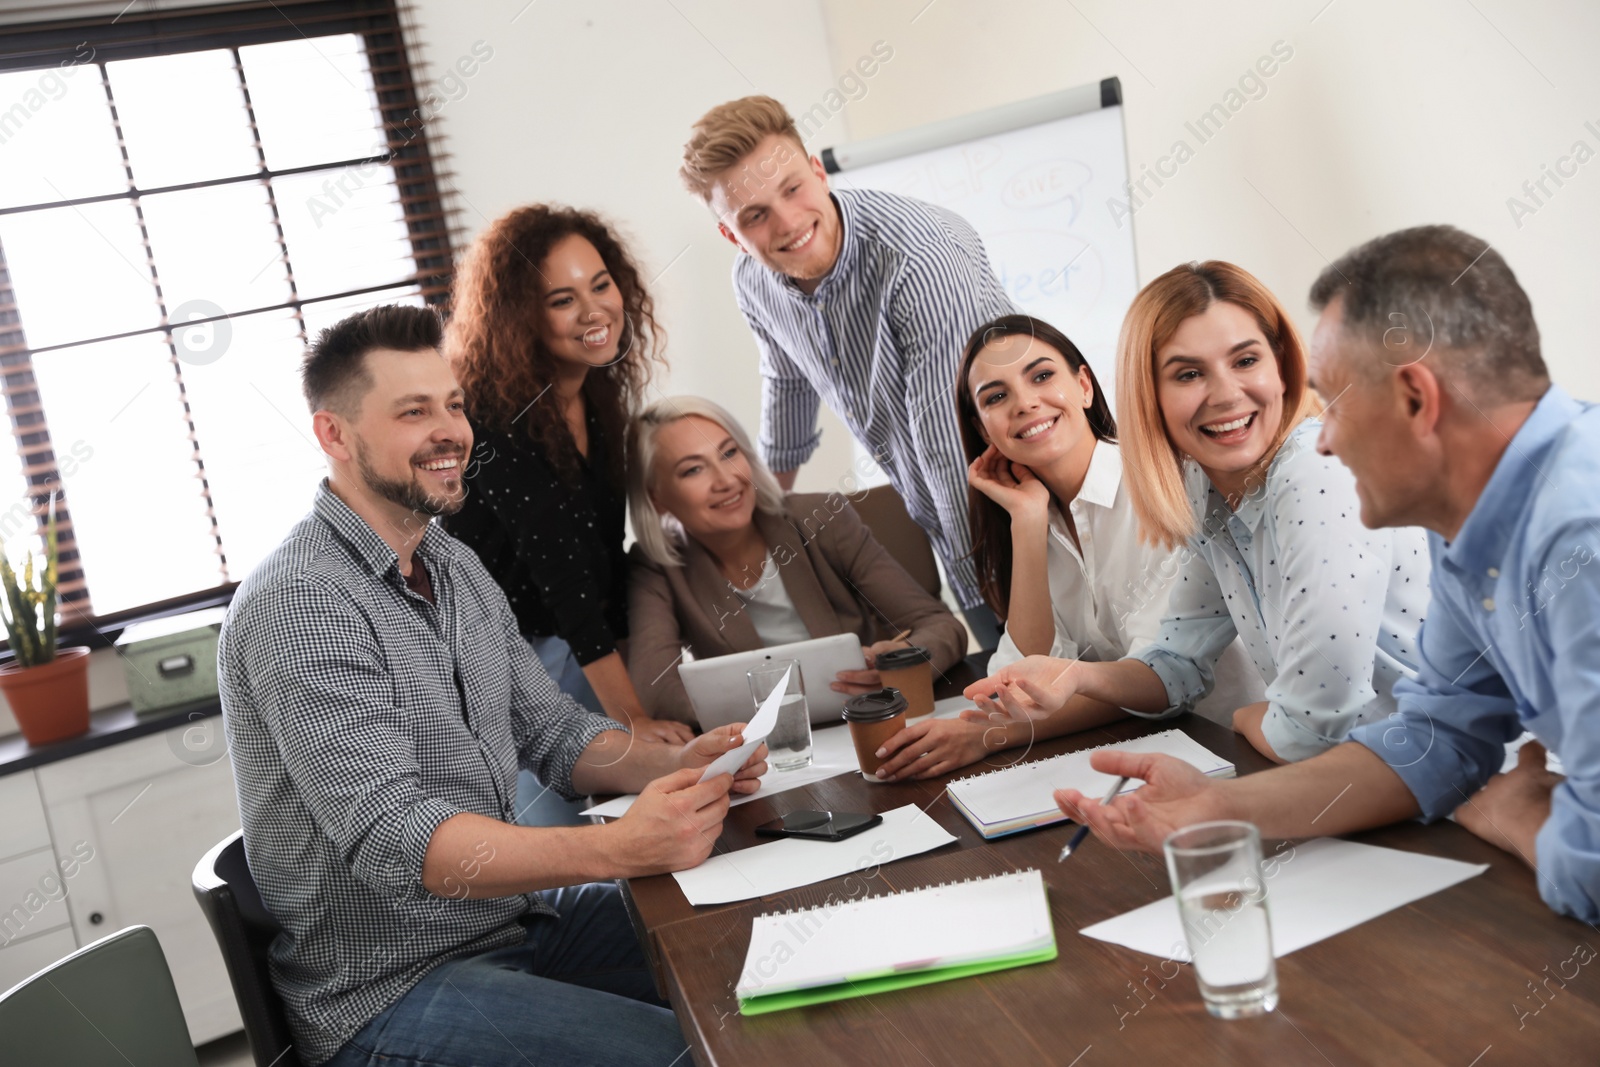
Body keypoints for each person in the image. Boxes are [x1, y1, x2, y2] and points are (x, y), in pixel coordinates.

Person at [218, 305, 766, 1067]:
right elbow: (402, 839)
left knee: (757, 946)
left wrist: (678, 765)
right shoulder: (301, 602)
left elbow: (554, 732)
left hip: (511, 924)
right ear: (334, 436)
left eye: (453, 405)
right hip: (391, 987)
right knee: (689, 1053)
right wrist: (620, 850)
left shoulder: (452, 563)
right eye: (414, 411)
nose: (451, 430)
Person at [1036, 225, 1599, 924]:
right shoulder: (1469, 531)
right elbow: (1440, 738)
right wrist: (1215, 805)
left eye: (1332, 401)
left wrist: (1517, 814)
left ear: (1416, 399)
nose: (1321, 436)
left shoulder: (1582, 536)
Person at [969, 261, 1432, 764]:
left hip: (1443, 777)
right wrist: (1078, 675)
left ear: (1282, 367)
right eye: (1189, 374)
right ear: (1150, 396)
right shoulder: (1201, 487)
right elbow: (1175, 666)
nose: (1227, 394)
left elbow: (1314, 727)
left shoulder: (1318, 470)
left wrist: (1245, 720)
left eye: (1246, 361)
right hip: (1369, 775)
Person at [679, 94, 1019, 647]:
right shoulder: (754, 281)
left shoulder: (918, 263)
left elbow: (945, 446)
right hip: (960, 536)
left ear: (817, 171)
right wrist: (758, 513)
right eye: (755, 216)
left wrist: (993, 591)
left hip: (1023, 530)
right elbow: (786, 388)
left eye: (792, 189)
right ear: (730, 235)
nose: (788, 223)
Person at [873, 315, 1262, 781]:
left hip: (1227, 748)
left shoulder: (1160, 486)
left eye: (1041, 376)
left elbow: (1156, 679)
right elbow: (1020, 680)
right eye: (997, 396)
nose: (1025, 402)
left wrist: (991, 734)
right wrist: (1028, 522)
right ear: (982, 428)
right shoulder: (1034, 511)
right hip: (1132, 758)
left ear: (1083, 387)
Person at [445, 206, 692, 824]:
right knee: (573, 855)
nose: (593, 311)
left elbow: (605, 566)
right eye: (562, 299)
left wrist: (644, 706)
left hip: (588, 653)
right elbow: (567, 592)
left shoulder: (598, 392)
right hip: (511, 670)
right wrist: (631, 723)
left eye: (601, 285)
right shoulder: (494, 421)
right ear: (520, 318)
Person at [625, 395, 968, 726]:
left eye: (730, 453)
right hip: (763, 748)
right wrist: (773, 706)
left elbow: (941, 627)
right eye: (693, 470)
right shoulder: (655, 567)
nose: (727, 480)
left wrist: (895, 667)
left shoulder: (822, 519)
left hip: (866, 721)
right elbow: (656, 692)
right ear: (657, 497)